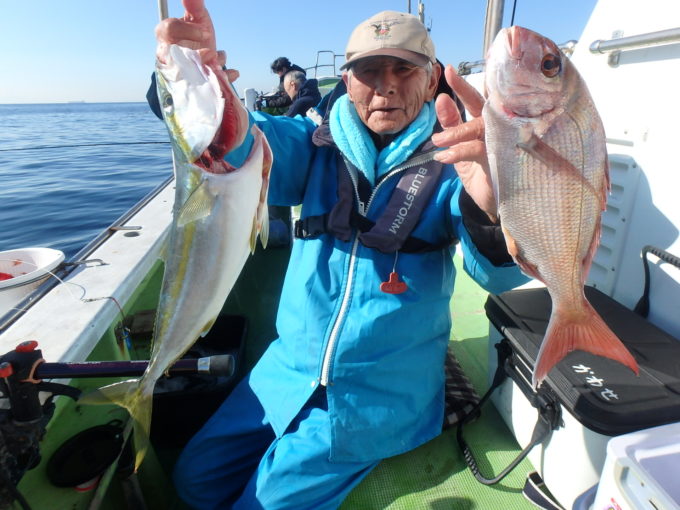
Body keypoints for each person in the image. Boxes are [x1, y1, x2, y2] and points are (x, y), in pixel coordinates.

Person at [155, 2, 528, 509]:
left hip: (379, 393)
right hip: (288, 368)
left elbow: (497, 277)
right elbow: (238, 143)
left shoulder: (458, 164)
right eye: (369, 70)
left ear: (431, 81)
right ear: (348, 82)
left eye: (404, 70)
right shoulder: (313, 144)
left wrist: (492, 207)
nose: (386, 85)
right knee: (193, 481)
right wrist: (188, 77)